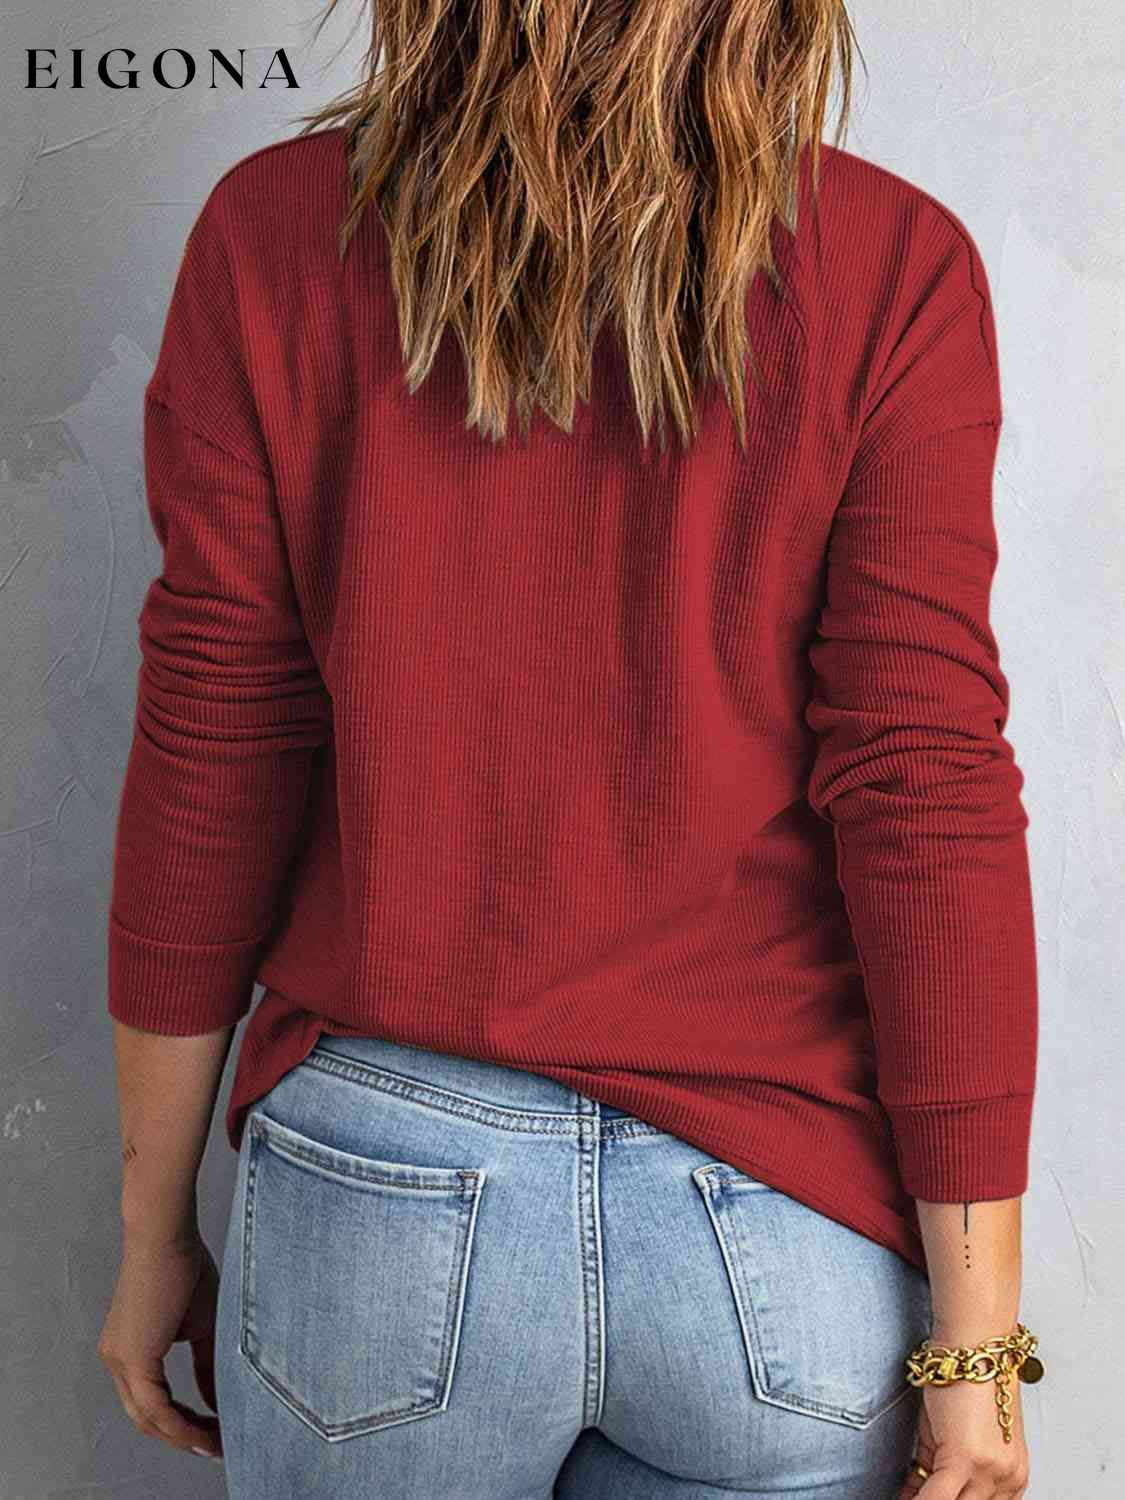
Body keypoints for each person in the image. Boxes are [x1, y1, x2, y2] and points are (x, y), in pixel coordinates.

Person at [97, 3, 1041, 1498]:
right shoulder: (893, 262)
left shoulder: (272, 234)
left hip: (384, 1199)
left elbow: (216, 740)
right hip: (777, 1225)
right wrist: (977, 1347)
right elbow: (924, 789)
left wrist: (152, 1227)